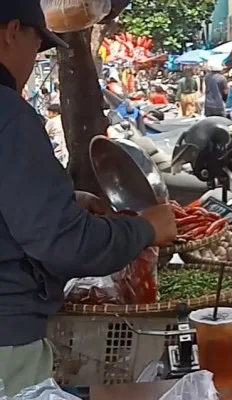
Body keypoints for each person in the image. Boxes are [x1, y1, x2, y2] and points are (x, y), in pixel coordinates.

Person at [0, 2, 177, 394]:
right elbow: (64, 244)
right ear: (12, 32)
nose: (33, 60)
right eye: (35, 44)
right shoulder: (9, 116)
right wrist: (145, 228)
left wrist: (64, 199)